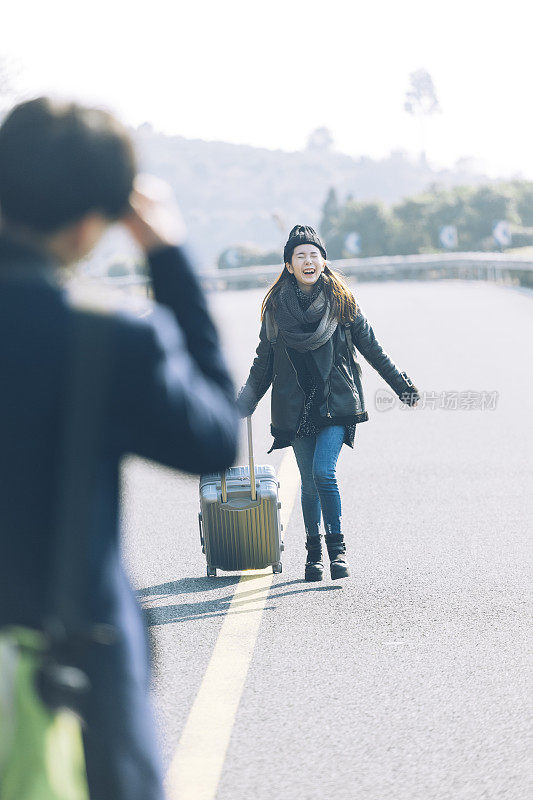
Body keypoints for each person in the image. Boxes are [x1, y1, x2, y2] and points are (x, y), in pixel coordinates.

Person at [0, 97, 239, 799]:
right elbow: (215, 436)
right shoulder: (103, 340)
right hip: (67, 676)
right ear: (88, 226)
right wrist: (166, 257)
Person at [237, 224, 419, 582]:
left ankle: (338, 552)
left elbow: (373, 349)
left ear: (323, 261)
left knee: (324, 472)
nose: (308, 261)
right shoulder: (276, 311)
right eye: (300, 256)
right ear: (289, 265)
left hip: (336, 403)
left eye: (313, 255)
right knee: (307, 483)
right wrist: (244, 401)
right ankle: (313, 557)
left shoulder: (342, 303)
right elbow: (264, 362)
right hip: (295, 407)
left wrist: (403, 386)